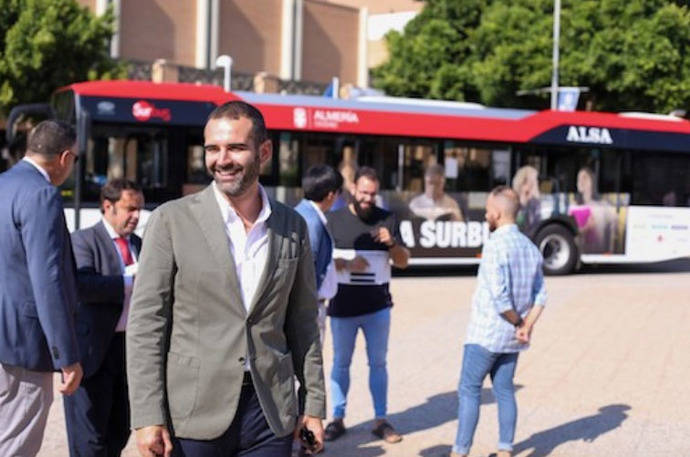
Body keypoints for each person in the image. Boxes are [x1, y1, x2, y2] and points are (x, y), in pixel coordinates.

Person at [126, 101, 326, 457]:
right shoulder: (171, 220)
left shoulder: (291, 225)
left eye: (235, 147)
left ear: (264, 151)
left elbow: (303, 322)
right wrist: (147, 417)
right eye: (212, 149)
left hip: (270, 413)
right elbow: (147, 325)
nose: (222, 160)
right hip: (195, 411)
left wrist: (312, 404)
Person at [0, 120, 83, 456]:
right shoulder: (43, 194)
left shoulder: (4, 183)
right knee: (15, 444)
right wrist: (66, 355)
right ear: (64, 157)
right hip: (24, 345)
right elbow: (47, 279)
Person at [451, 186, 546, 457]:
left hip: (486, 334)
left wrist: (518, 323)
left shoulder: (494, 246)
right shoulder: (530, 247)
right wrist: (527, 326)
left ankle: (460, 452)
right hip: (512, 340)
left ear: (498, 213)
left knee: (469, 390)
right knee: (504, 391)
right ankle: (505, 449)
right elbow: (542, 295)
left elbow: (500, 300)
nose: (485, 216)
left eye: (487, 211)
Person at [324, 166, 410, 444]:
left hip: (377, 308)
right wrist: (347, 263)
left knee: (378, 363)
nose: (367, 198)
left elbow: (404, 261)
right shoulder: (333, 220)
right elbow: (319, 261)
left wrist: (392, 242)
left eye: (372, 194)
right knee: (340, 363)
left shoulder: (387, 219)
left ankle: (380, 419)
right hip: (342, 308)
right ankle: (336, 418)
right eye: (363, 192)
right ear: (352, 189)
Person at [64, 179, 144, 457]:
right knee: (89, 441)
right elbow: (83, 286)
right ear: (107, 206)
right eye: (130, 209)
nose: (136, 216)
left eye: (140, 209)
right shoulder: (82, 241)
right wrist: (128, 280)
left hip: (128, 353)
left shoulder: (139, 244)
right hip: (93, 355)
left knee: (119, 431)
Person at [294, 164, 343, 344]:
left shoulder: (301, 212)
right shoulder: (312, 221)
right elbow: (308, 268)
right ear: (331, 194)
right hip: (309, 309)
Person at [571, 167, 616, 253]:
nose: (581, 181)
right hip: (580, 249)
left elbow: (612, 230)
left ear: (592, 181)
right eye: (579, 179)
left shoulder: (603, 206)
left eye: (585, 178)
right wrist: (587, 227)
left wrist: (610, 250)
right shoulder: (573, 207)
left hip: (598, 249)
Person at [512, 165, 541, 234]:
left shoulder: (534, 203)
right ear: (524, 183)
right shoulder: (513, 202)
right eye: (535, 180)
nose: (537, 183)